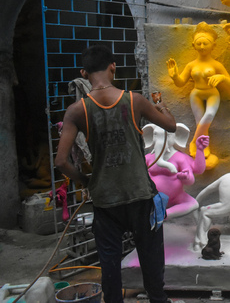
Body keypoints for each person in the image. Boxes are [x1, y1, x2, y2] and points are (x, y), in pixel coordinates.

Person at [55, 45, 177, 303]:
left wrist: (85, 181)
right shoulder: (135, 101)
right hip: (140, 195)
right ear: (113, 67)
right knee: (151, 259)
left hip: (104, 200)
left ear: (83, 73)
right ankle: (158, 299)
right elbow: (171, 126)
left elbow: (61, 161)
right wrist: (163, 107)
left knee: (109, 265)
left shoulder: (77, 110)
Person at [166, 22, 230, 168]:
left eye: (205, 43)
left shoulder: (216, 65)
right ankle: (204, 147)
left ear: (213, 46)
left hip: (212, 94)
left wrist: (222, 78)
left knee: (208, 116)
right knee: (201, 123)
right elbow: (181, 83)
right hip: (196, 94)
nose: (202, 46)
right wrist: (174, 76)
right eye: (199, 43)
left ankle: (194, 141)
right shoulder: (191, 65)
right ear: (193, 45)